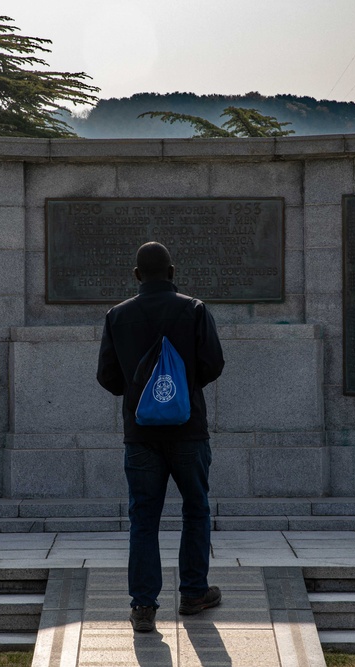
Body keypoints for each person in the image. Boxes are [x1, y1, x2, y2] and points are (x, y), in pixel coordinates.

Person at [96, 241, 225, 633]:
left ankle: (144, 607)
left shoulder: (117, 316)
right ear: (172, 272)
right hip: (189, 431)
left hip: (141, 435)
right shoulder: (194, 309)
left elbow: (107, 376)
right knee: (196, 509)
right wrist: (182, 390)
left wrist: (140, 394)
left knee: (144, 518)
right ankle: (193, 593)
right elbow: (214, 363)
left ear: (137, 276)